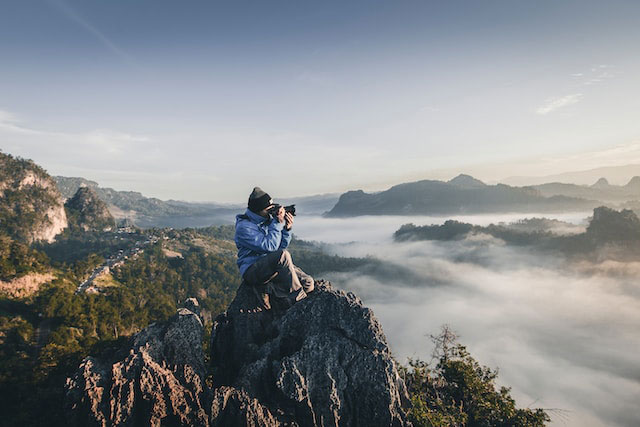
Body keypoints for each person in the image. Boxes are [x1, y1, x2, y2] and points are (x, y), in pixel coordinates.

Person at [235, 187, 314, 309]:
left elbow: (279, 248)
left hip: (270, 267)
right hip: (252, 270)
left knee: (308, 283)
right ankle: (299, 302)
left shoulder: (267, 221)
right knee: (283, 255)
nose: (271, 212)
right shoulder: (244, 227)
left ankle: (277, 294)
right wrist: (276, 222)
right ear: (258, 210)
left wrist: (287, 229)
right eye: (269, 209)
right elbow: (270, 247)